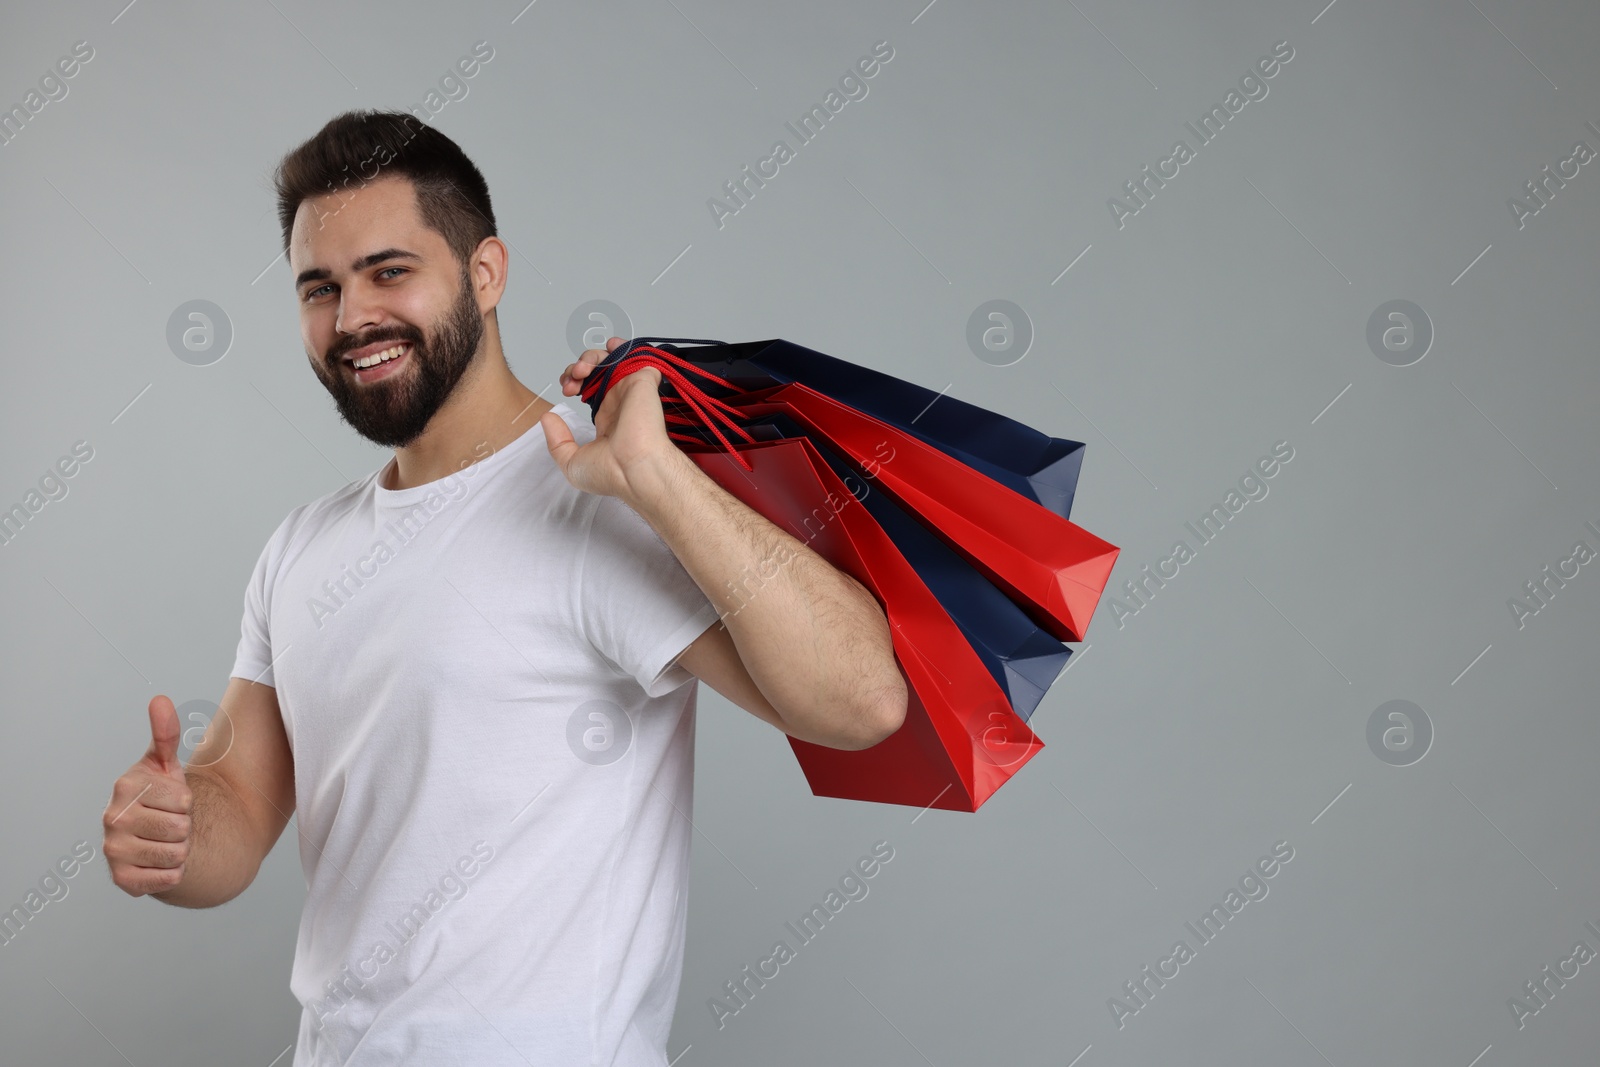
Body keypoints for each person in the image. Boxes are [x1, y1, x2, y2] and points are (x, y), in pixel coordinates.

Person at [99, 109, 906, 1066]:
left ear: (486, 274)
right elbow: (237, 799)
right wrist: (176, 832)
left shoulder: (602, 486)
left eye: (390, 271)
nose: (354, 318)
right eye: (322, 287)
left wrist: (661, 480)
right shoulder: (302, 549)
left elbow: (863, 702)